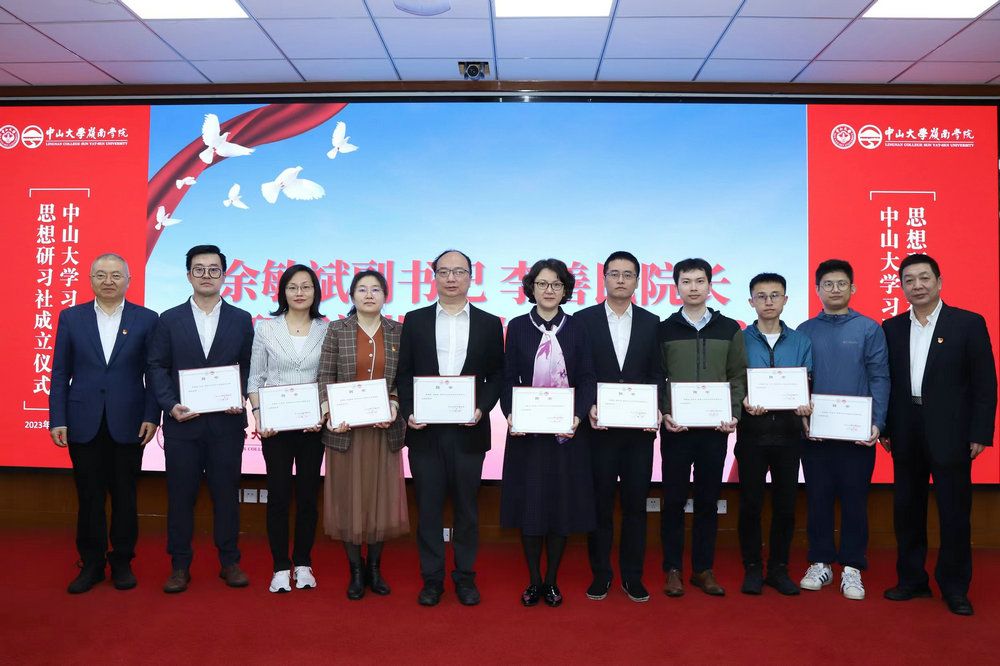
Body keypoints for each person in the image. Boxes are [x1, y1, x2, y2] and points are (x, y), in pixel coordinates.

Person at [881, 254, 997, 616]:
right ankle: (911, 579)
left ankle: (955, 587)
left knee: (954, 511)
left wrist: (980, 432)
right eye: (909, 280)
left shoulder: (968, 324)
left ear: (939, 282)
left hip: (952, 431)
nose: (917, 286)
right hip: (906, 429)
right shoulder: (891, 327)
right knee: (907, 508)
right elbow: (886, 382)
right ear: (901, 286)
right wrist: (885, 426)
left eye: (924, 278)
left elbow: (985, 383)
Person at [396, 249, 504, 607]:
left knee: (467, 511)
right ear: (434, 277)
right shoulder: (415, 320)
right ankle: (432, 580)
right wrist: (409, 411)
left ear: (471, 277)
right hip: (425, 431)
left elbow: (497, 375)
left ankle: (465, 577)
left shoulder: (489, 323)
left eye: (459, 271)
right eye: (444, 271)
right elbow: (404, 373)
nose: (452, 278)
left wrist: (481, 407)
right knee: (428, 509)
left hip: (469, 430)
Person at [49, 253, 160, 593]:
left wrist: (151, 415)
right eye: (101, 275)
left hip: (129, 421)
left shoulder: (147, 319)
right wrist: (58, 418)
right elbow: (60, 372)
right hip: (83, 420)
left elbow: (154, 372)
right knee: (89, 496)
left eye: (115, 275)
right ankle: (92, 563)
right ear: (91, 279)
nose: (108, 281)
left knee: (125, 496)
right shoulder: (71, 317)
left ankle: (122, 561)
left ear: (128, 280)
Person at [148, 244, 254, 593]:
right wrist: (170, 404)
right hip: (183, 425)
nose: (206, 275)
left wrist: (239, 395)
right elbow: (157, 366)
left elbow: (249, 367)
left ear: (224, 275)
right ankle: (179, 566)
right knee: (181, 498)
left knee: (226, 496)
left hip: (226, 425)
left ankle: (230, 562)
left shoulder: (241, 319)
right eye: (199, 269)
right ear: (188, 275)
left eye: (213, 269)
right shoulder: (169, 319)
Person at [501, 258, 597, 608]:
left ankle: (552, 580)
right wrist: (511, 413)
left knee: (559, 508)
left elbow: (587, 377)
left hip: (565, 436)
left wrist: (577, 416)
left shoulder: (577, 328)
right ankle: (534, 580)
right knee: (531, 507)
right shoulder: (517, 326)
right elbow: (507, 376)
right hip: (527, 437)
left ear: (565, 289)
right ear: (531, 287)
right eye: (542, 283)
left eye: (556, 284)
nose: (549, 290)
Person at [797, 259, 888, 601]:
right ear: (817, 290)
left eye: (841, 284)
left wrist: (877, 421)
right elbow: (799, 380)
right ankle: (820, 562)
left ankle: (852, 566)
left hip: (857, 434)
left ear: (853, 288)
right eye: (828, 284)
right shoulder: (805, 330)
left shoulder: (869, 328)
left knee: (854, 500)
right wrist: (802, 418)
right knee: (818, 498)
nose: (834, 289)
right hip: (816, 433)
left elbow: (879, 376)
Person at [576, 251, 662, 603]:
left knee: (635, 506)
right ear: (604, 279)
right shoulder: (583, 320)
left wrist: (656, 409)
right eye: (615, 274)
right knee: (599, 504)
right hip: (599, 430)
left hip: (639, 433)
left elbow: (657, 373)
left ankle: (632, 576)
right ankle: (601, 574)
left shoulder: (652, 322)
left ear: (638, 281)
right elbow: (580, 372)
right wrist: (588, 406)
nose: (621, 280)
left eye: (628, 274)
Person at [318, 270, 409, 600]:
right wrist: (329, 413)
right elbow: (325, 376)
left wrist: (394, 404)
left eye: (375, 289)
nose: (369, 295)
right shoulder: (336, 329)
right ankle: (356, 570)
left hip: (383, 432)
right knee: (349, 501)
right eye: (362, 289)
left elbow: (402, 379)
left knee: (379, 501)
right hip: (346, 433)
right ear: (351, 295)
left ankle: (375, 568)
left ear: (386, 295)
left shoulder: (399, 331)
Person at [659, 257, 746, 598]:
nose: (693, 287)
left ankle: (703, 569)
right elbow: (657, 378)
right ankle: (673, 569)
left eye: (699, 281)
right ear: (676, 287)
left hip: (714, 430)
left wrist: (734, 413)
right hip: (676, 430)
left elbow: (737, 376)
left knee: (708, 500)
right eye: (686, 281)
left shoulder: (729, 328)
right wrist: (665, 412)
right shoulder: (664, 329)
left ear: (710, 285)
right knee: (673, 500)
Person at [247, 265, 328, 594]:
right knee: (278, 496)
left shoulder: (327, 329)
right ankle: (280, 566)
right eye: (293, 287)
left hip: (312, 428)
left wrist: (324, 411)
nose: (299, 292)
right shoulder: (266, 328)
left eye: (306, 287)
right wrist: (259, 415)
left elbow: (330, 377)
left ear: (315, 292)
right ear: (283, 292)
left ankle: (304, 562)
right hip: (276, 429)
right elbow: (255, 378)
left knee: (308, 496)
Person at [736, 272, 812, 596]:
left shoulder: (801, 341)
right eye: (761, 296)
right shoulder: (739, 340)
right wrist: (742, 399)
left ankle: (779, 569)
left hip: (788, 434)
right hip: (752, 433)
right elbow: (733, 380)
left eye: (775, 295)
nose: (768, 302)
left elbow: (808, 381)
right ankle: (753, 567)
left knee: (785, 506)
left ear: (785, 300)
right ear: (751, 301)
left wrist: (806, 403)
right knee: (750, 504)